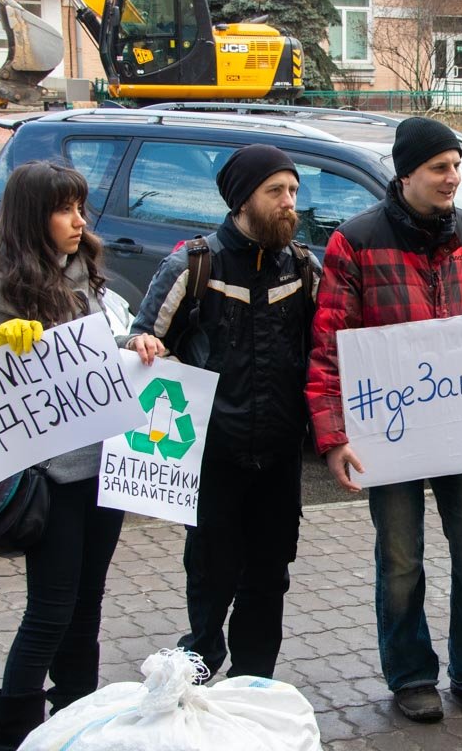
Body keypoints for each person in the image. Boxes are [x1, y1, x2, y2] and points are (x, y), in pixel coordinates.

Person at [305, 117, 462, 723]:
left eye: (457, 166)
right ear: (406, 173)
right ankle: (411, 674)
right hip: (388, 436)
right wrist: (334, 437)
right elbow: (330, 344)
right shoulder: (355, 242)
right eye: (440, 168)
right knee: (400, 560)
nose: (453, 178)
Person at [124, 144, 316, 684]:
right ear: (242, 200)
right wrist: (143, 345)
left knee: (269, 575)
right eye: (276, 192)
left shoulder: (303, 267)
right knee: (211, 572)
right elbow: (143, 336)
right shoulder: (192, 264)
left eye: (293, 192)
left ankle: (255, 682)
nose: (289, 203)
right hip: (212, 456)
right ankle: (198, 668)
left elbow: (329, 345)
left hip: (279, 458)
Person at [0, 161, 124, 749]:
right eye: (65, 209)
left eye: (81, 207)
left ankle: (76, 718)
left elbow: (98, 350)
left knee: (87, 607)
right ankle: (10, 734)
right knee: (50, 610)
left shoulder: (82, 265)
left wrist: (136, 345)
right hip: (49, 475)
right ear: (35, 215)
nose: (79, 221)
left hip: (102, 467)